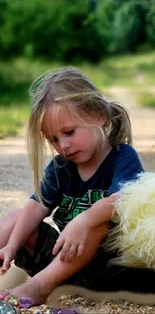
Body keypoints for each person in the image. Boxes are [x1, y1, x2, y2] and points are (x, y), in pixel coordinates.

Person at [0, 67, 144, 306]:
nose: (63, 146)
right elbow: (37, 206)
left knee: (100, 221)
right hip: (63, 266)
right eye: (53, 139)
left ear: (99, 115)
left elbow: (125, 199)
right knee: (18, 217)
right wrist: (12, 245)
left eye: (69, 132)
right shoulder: (61, 167)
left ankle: (40, 286)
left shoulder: (123, 157)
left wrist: (84, 220)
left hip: (110, 269)